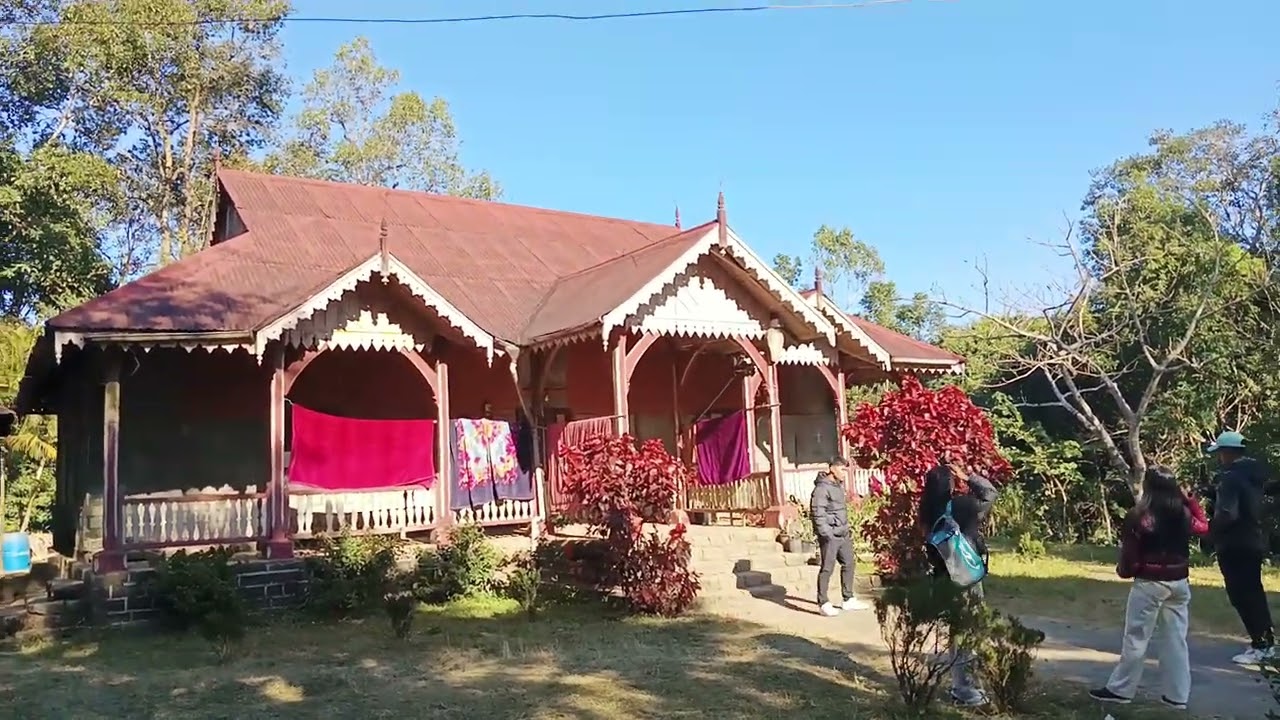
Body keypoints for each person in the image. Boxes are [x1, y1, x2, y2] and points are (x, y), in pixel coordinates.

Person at [1089, 466, 1209, 710]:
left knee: (1136, 637)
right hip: (1179, 581)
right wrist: (1191, 501)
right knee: (1176, 640)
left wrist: (1126, 570)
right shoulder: (1183, 514)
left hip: (1150, 582)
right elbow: (1204, 527)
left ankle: (1121, 689)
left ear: (1149, 485)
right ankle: (1177, 696)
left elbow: (1130, 555)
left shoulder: (1139, 515)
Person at [919, 462, 998, 708]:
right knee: (968, 632)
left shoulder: (927, 511)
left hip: (944, 579)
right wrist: (969, 476)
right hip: (967, 578)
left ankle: (960, 684)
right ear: (951, 483)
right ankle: (965, 689)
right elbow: (990, 493)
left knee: (957, 633)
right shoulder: (963, 506)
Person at [1207, 430, 1276, 665]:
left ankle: (1261, 645)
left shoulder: (1230, 478)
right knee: (1253, 593)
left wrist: (1209, 533)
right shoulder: (1254, 476)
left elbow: (1228, 513)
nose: (1219, 458)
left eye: (1220, 453)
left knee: (1242, 595)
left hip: (1234, 544)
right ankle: (1265, 641)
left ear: (1227, 453)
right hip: (1253, 540)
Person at [810, 457, 871, 616]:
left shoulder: (838, 487)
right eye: (842, 469)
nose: (845, 473)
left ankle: (848, 599)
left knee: (849, 563)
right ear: (832, 468)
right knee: (827, 568)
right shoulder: (822, 489)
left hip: (843, 533)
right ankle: (823, 602)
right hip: (830, 536)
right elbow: (818, 513)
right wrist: (827, 534)